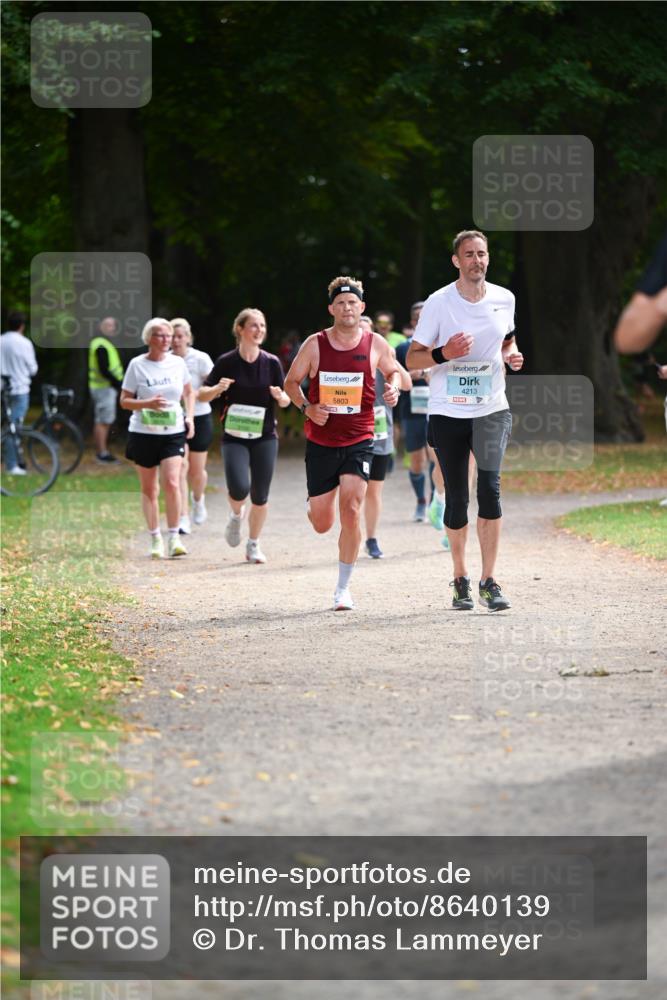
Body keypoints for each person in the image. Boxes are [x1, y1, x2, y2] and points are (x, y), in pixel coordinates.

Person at [407, 230, 524, 612]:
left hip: (491, 408)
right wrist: (444, 352)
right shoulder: (439, 303)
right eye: (469, 255)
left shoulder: (504, 298)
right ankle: (460, 578)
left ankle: (489, 580)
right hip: (448, 411)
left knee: (489, 489)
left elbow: (507, 340)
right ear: (456, 261)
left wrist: (512, 355)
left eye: (482, 254)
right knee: (457, 497)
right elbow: (413, 359)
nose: (477, 260)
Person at [284, 276, 401, 610]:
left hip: (361, 438)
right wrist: (307, 407)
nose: (347, 308)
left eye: (353, 303)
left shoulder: (375, 342)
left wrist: (392, 387)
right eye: (341, 303)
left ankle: (342, 588)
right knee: (323, 523)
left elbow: (394, 372)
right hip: (322, 441)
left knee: (351, 510)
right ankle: (314, 504)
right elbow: (291, 382)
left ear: (361, 307)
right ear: (331, 308)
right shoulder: (315, 344)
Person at [200, 308, 290, 564]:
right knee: (239, 489)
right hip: (235, 436)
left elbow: (285, 400)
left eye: (262, 325)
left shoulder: (271, 362)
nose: (259, 330)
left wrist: (280, 397)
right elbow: (201, 395)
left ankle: (253, 544)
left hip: (265, 436)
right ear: (240, 329)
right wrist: (216, 389)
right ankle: (236, 515)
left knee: (260, 495)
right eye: (253, 325)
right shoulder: (227, 361)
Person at [120, 318, 195, 559]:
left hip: (172, 431)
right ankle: (155, 537)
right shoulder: (137, 365)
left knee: (172, 481)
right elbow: (124, 400)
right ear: (149, 339)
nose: (166, 340)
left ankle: (174, 537)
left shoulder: (177, 363)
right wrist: (147, 404)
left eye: (169, 335)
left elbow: (189, 392)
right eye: (160, 335)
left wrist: (190, 417)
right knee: (149, 488)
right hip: (143, 433)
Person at [359, 315, 412, 559]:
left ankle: (371, 538)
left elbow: (408, 383)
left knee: (374, 491)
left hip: (380, 433)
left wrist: (391, 356)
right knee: (353, 488)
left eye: (368, 332)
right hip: (351, 433)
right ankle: (351, 533)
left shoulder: (383, 358)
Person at [170, 318, 214, 532]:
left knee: (196, 472)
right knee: (181, 468)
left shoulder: (200, 359)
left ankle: (198, 499)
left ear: (188, 338)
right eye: (173, 337)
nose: (176, 340)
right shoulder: (165, 360)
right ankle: (183, 517)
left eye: (180, 336)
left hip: (200, 417)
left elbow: (214, 385)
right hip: (175, 420)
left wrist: (197, 393)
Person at [0, 310, 38, 475]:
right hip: (20, 389)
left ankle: (12, 459)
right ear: (22, 326)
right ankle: (12, 465)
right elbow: (33, 369)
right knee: (14, 427)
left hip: (3, 388)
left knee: (7, 424)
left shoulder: (1, 341)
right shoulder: (24, 343)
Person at [88, 316, 124, 463]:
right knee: (103, 421)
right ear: (100, 327)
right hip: (104, 388)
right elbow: (104, 369)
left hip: (102, 388)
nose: (111, 328)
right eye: (107, 325)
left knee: (102, 420)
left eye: (113, 325)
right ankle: (102, 453)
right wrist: (118, 384)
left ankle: (101, 452)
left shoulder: (103, 343)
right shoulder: (101, 344)